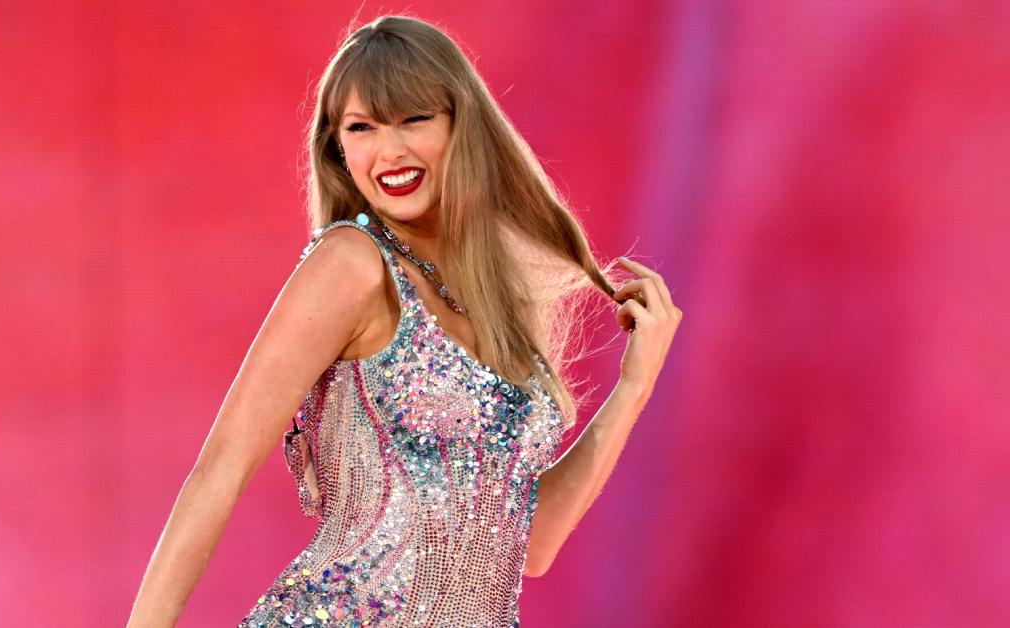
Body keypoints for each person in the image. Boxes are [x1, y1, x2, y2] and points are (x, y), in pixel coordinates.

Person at [127, 14, 681, 628]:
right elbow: (220, 469)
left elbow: (534, 540)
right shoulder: (353, 264)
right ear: (339, 149)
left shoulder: (495, 302)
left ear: (460, 125)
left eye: (414, 119)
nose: (389, 151)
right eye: (362, 128)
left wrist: (634, 387)